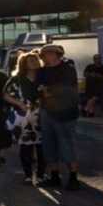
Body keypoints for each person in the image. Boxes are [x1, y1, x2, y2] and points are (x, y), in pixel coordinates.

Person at [36, 44, 81, 190]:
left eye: (49, 53)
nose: (45, 56)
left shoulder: (68, 69)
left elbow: (67, 89)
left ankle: (73, 177)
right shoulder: (41, 71)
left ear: (57, 54)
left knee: (67, 145)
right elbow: (38, 88)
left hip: (66, 112)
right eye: (43, 54)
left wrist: (47, 90)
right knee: (49, 145)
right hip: (46, 111)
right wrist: (46, 91)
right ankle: (54, 176)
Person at [4, 51, 44, 184]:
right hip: (23, 115)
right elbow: (5, 94)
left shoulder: (43, 77)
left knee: (41, 146)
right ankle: (28, 175)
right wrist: (19, 103)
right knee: (25, 146)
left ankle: (40, 174)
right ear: (23, 64)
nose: (34, 62)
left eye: (36, 60)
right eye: (30, 61)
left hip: (42, 115)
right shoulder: (17, 78)